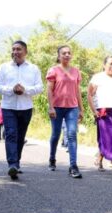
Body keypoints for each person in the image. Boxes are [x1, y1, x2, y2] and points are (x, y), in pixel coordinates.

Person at [0, 40, 43, 180]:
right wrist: (11, 89)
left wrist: (25, 90)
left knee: (20, 137)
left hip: (26, 107)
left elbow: (40, 87)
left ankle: (17, 162)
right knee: (10, 134)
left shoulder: (33, 69)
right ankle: (12, 165)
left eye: (19, 49)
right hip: (8, 106)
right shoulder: (3, 68)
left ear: (25, 52)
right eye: (13, 49)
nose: (15, 52)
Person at [46, 45, 83, 178]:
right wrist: (51, 107)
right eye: (64, 53)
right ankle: (52, 158)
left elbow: (78, 91)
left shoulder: (76, 71)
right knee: (55, 134)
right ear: (59, 56)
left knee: (72, 134)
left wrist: (81, 109)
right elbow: (49, 89)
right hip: (56, 107)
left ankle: (73, 166)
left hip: (72, 108)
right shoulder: (53, 70)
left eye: (69, 53)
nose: (67, 55)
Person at [87, 55, 112, 178]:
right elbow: (89, 95)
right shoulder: (97, 77)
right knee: (108, 138)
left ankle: (99, 157)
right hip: (103, 111)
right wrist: (94, 111)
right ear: (104, 65)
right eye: (110, 63)